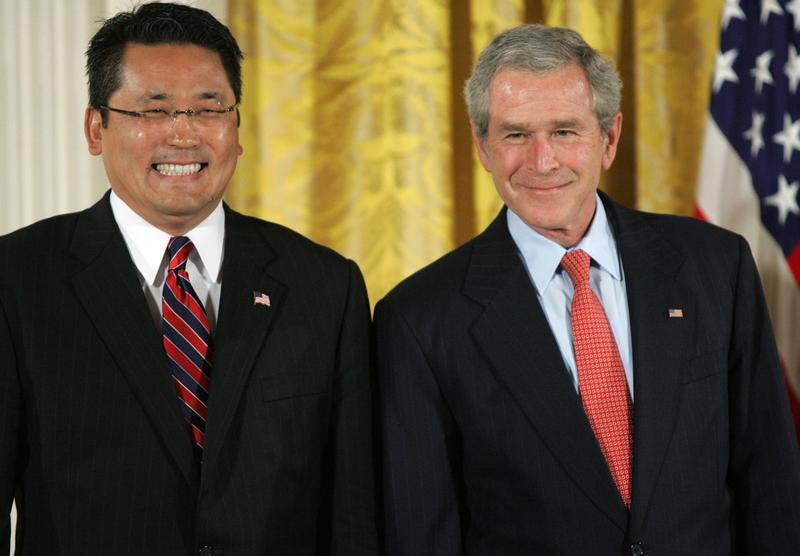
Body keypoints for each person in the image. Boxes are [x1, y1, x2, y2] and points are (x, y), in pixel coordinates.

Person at [375, 24, 800, 554]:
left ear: (610, 138)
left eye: (565, 131)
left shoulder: (716, 267)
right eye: (515, 135)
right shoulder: (419, 319)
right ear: (482, 146)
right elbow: (423, 534)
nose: (542, 161)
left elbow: (771, 486)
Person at [0, 3, 377, 554]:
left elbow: (353, 518)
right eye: (153, 112)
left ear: (237, 128)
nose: (184, 136)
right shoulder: (18, 280)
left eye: (208, 109)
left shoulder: (324, 284)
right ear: (95, 128)